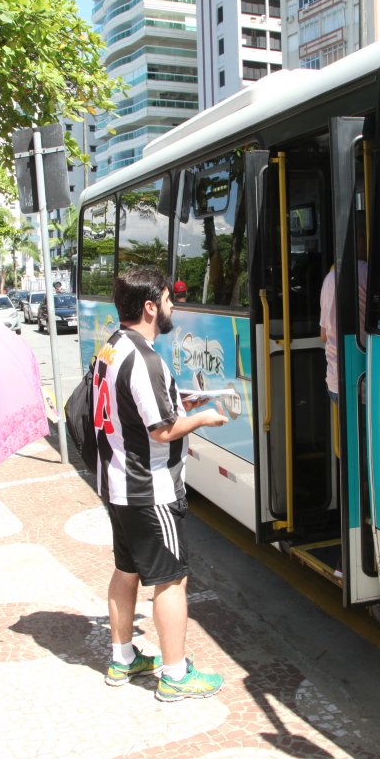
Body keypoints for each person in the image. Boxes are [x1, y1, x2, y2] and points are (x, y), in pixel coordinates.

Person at [95, 267, 229, 702]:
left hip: (118, 484)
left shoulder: (112, 347)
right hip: (150, 489)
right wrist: (203, 417)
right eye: (169, 300)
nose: (174, 308)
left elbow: (133, 408)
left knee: (127, 570)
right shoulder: (146, 359)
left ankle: (122, 658)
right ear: (150, 307)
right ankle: (174, 674)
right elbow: (162, 431)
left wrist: (180, 401)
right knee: (171, 580)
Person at [319, 265, 337, 404]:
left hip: (334, 379)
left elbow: (323, 336)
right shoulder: (368, 272)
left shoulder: (329, 280)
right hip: (362, 381)